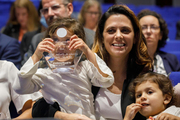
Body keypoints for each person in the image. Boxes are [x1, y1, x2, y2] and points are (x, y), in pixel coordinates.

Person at [30, 4, 153, 120]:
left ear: (136, 37)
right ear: (101, 37)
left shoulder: (144, 75)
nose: (118, 36)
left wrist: (172, 111)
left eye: (125, 30)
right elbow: (39, 107)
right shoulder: (85, 66)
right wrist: (62, 116)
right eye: (111, 31)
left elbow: (162, 105)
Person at [13, 18, 114, 120]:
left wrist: (87, 51)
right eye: (55, 40)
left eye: (67, 40)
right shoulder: (44, 73)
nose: (61, 46)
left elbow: (107, 81)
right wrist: (36, 56)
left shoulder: (85, 67)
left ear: (79, 43)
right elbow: (20, 88)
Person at [21, 0, 95, 66]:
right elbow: (23, 76)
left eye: (55, 7)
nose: (50, 13)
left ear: (69, 9)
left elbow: (101, 76)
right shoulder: (37, 40)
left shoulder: (92, 38)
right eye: (45, 10)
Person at [137, 9, 180, 75]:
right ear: (137, 34)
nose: (148, 31)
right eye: (143, 27)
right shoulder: (128, 60)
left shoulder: (172, 59)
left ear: (161, 35)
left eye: (153, 27)